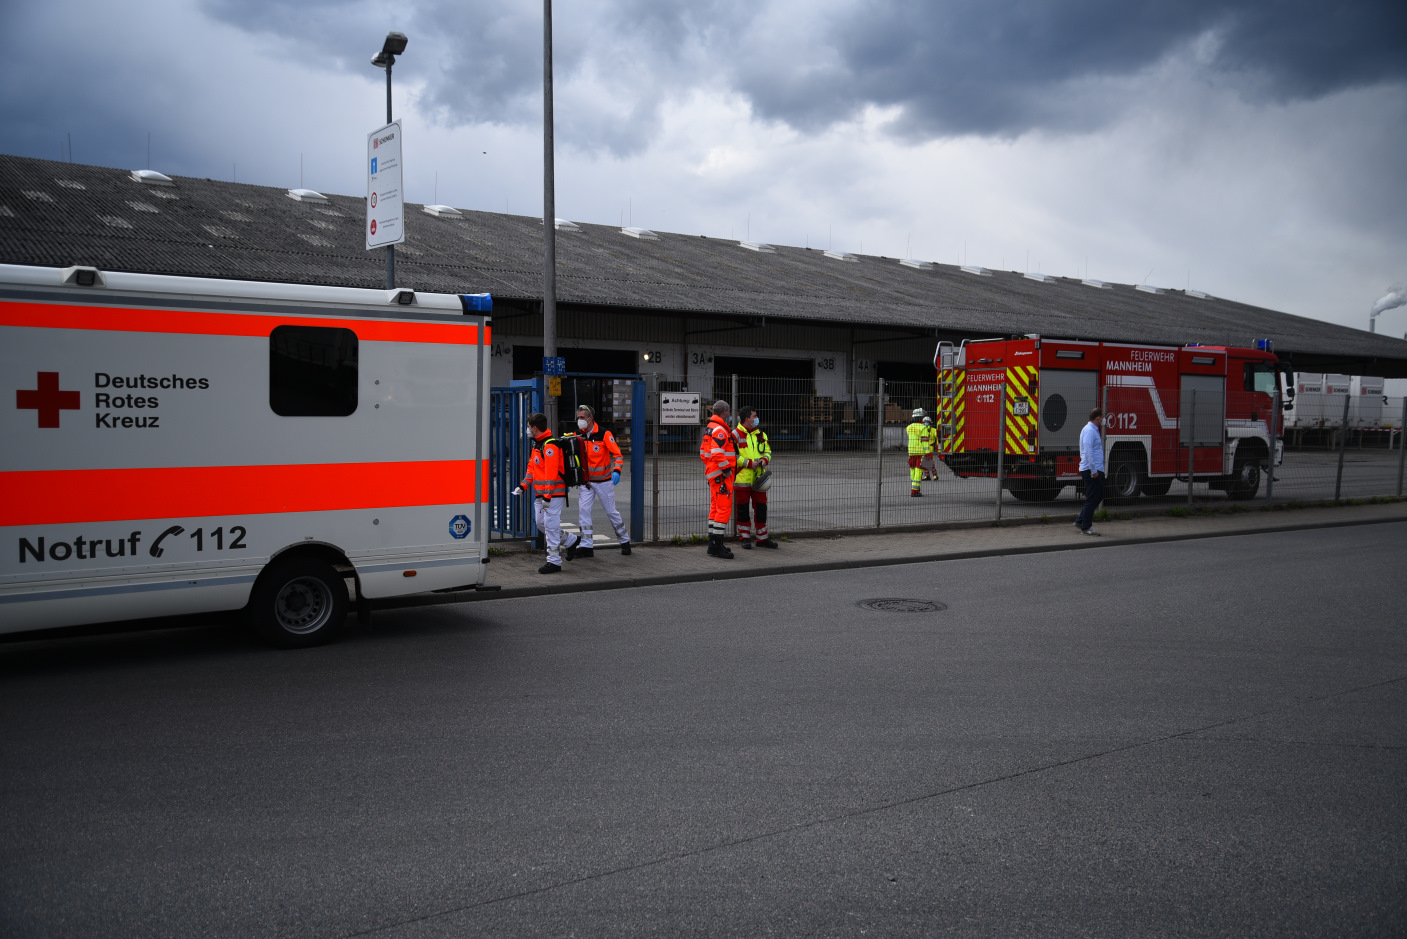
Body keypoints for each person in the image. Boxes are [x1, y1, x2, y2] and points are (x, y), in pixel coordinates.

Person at [513, 412, 579, 573]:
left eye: (528, 427)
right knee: (541, 523)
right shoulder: (537, 444)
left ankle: (554, 561)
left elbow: (551, 474)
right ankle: (571, 541)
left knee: (550, 525)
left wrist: (548, 496)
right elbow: (532, 469)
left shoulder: (550, 446)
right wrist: (523, 486)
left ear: (535, 428)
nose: (527, 430)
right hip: (541, 494)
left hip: (552, 494)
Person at [568, 404, 630, 558]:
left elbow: (618, 455)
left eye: (582, 417)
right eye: (578, 417)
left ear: (590, 417)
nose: (580, 420)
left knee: (611, 512)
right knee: (583, 512)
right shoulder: (577, 435)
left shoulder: (603, 434)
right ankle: (586, 546)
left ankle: (625, 541)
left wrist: (616, 471)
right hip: (587, 483)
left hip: (604, 482)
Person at [733, 405, 778, 549]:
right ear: (747, 419)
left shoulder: (761, 434)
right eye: (754, 416)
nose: (757, 418)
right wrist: (749, 463)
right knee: (742, 510)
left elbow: (768, 451)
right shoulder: (735, 435)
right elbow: (732, 456)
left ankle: (762, 538)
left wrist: (765, 460)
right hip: (742, 479)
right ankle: (745, 538)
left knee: (761, 508)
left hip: (759, 479)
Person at [699, 399, 739, 559]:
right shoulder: (720, 431)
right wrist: (726, 470)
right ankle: (716, 546)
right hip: (721, 476)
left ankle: (713, 543)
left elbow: (703, 452)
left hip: (713, 475)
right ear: (724, 412)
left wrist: (711, 468)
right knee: (723, 510)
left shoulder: (710, 428)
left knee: (715, 508)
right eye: (728, 412)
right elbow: (716, 452)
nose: (729, 415)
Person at [1076, 407, 1106, 535]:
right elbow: (1088, 451)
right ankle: (1086, 527)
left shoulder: (1092, 430)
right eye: (1103, 418)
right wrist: (1093, 470)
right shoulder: (1090, 431)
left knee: (1097, 495)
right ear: (1098, 418)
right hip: (1092, 470)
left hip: (1094, 468)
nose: (1104, 420)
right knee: (1093, 497)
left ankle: (1081, 520)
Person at [905, 408, 929, 496]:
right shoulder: (923, 428)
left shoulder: (908, 427)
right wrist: (928, 453)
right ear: (921, 418)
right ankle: (914, 491)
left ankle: (915, 488)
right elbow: (925, 442)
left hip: (911, 452)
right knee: (919, 471)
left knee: (913, 470)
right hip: (920, 452)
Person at [919, 415, 939, 481]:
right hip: (924, 449)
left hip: (929, 450)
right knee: (925, 463)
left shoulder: (933, 430)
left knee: (929, 463)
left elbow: (937, 437)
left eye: (927, 422)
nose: (926, 423)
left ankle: (935, 475)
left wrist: (937, 445)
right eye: (925, 422)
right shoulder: (922, 430)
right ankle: (927, 476)